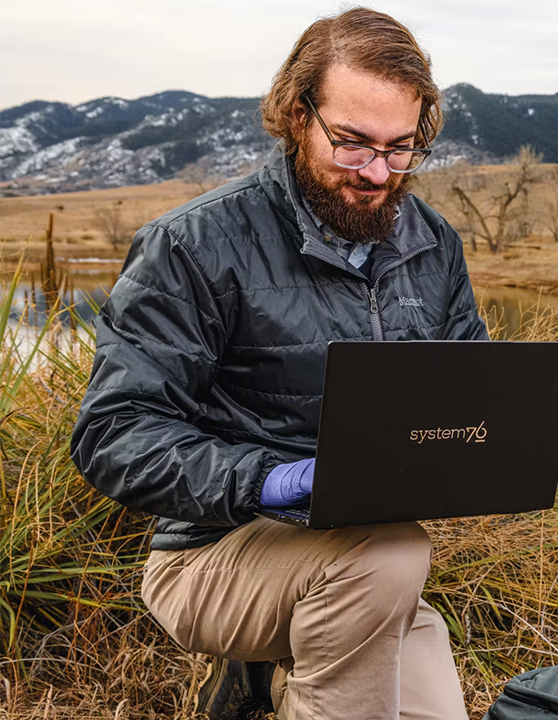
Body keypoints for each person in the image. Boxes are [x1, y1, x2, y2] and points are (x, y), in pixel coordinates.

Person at [70, 8, 483, 719]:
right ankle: (261, 664)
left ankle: (261, 680)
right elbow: (114, 434)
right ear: (298, 116)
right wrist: (270, 479)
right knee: (389, 558)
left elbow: (470, 390)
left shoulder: (432, 242)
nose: (376, 172)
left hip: (361, 563)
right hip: (211, 554)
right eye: (352, 143)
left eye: (400, 149)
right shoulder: (194, 243)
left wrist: (483, 444)